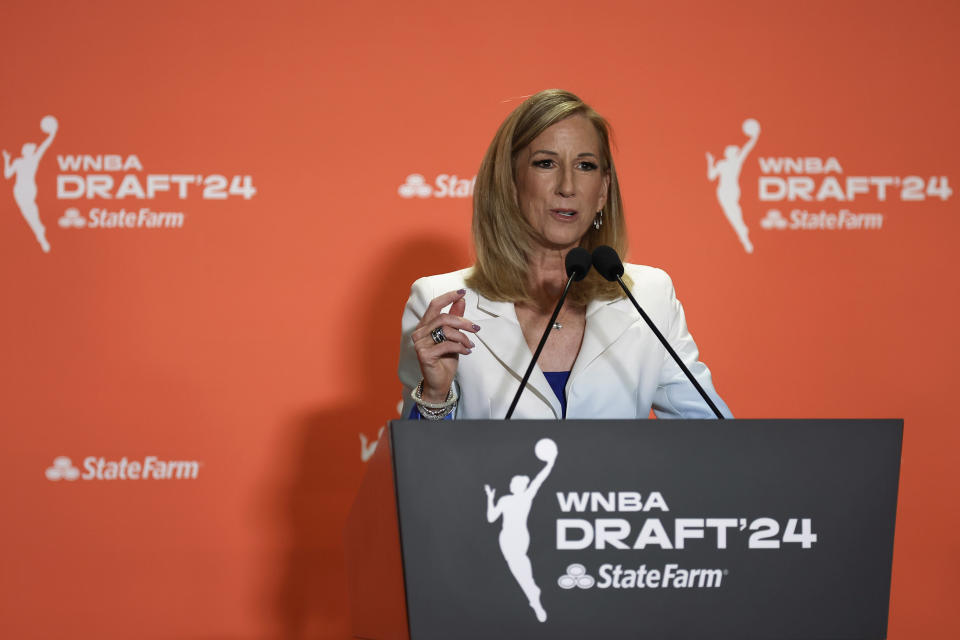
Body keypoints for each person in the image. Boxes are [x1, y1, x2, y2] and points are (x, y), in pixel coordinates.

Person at [398, 89, 730, 420]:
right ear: (510, 183)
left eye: (585, 166)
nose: (567, 186)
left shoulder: (650, 296)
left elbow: (716, 440)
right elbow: (423, 465)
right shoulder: (440, 302)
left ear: (602, 191)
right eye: (546, 163)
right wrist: (435, 395)